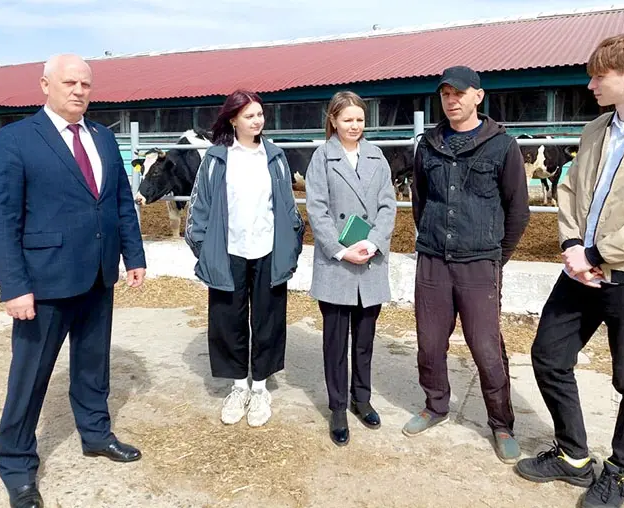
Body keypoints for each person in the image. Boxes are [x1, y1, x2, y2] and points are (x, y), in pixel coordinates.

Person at [515, 34, 624, 508]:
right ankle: (574, 456)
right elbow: (570, 191)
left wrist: (597, 254)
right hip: (579, 272)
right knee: (549, 356)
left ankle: (620, 471)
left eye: (600, 75)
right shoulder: (595, 129)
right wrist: (573, 244)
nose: (591, 82)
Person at [0, 54, 147, 508]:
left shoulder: (102, 137)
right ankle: (16, 463)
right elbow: (3, 220)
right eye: (70, 82)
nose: (79, 90)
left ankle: (95, 434)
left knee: (93, 367)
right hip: (45, 282)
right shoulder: (17, 139)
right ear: (45, 85)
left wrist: (133, 255)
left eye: (86, 84)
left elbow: (119, 203)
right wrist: (14, 286)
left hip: (98, 274)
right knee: (30, 376)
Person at [405, 65, 530, 464]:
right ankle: (435, 404)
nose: (452, 100)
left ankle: (501, 423)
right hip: (433, 262)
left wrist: (495, 255)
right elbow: (421, 201)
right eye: (445, 94)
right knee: (429, 343)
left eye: (459, 93)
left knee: (486, 348)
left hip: (480, 265)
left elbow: (518, 211)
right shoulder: (428, 145)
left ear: (478, 95)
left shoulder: (501, 146)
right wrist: (433, 241)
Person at [184, 89, 304, 428]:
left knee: (268, 319)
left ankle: (261, 387)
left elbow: (287, 207)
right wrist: (203, 248)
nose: (257, 121)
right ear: (233, 119)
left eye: (260, 115)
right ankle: (239, 387)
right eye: (249, 115)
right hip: (229, 250)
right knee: (228, 320)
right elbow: (200, 206)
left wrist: (291, 243)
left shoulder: (276, 157)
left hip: (267, 249)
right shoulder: (217, 158)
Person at [305, 91, 397, 446]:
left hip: (370, 259)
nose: (355, 126)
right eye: (348, 120)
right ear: (333, 121)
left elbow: (388, 205)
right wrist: (341, 250)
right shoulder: (321, 158)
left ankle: (362, 398)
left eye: (359, 119)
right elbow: (317, 209)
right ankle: (338, 407)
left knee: (364, 340)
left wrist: (373, 242)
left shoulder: (377, 157)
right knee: (334, 341)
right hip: (337, 263)